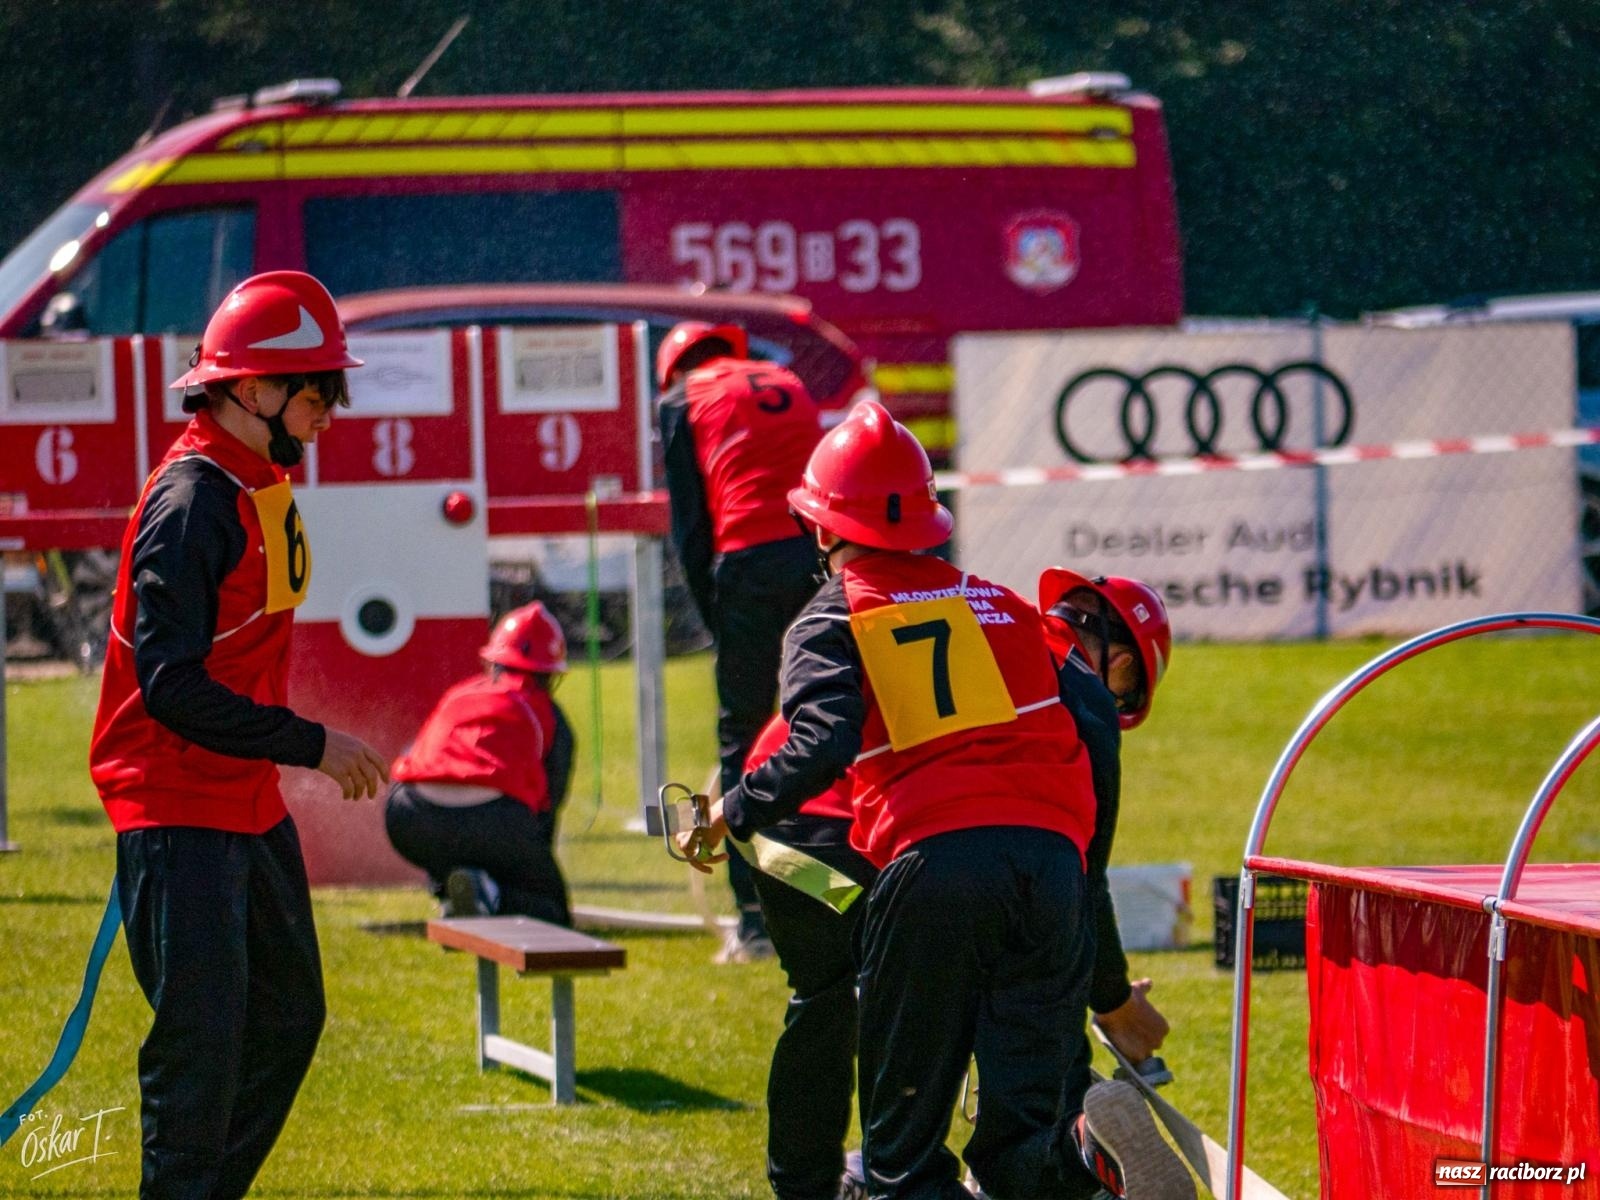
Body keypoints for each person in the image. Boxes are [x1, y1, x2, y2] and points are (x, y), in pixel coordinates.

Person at [677, 401, 1193, 1200]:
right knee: (1021, 1133)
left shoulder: (838, 608)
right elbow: (1079, 744)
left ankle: (807, 1186)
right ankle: (1082, 1149)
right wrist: (1106, 988)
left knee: (879, 1108)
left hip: (884, 859)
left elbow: (818, 744)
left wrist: (727, 813)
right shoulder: (1005, 606)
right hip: (1045, 870)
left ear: (820, 527)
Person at [90, 270, 390, 1200]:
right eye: (317, 393)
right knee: (201, 1057)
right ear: (253, 389)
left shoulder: (254, 481)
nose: (329, 414)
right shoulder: (192, 502)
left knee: (290, 1018)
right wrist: (311, 744)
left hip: (243, 803)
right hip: (177, 808)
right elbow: (171, 686)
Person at [657, 320, 824, 962]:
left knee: (746, 740)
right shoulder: (785, 379)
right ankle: (839, 893)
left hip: (749, 563)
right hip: (818, 556)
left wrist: (716, 621)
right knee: (828, 726)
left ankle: (755, 918)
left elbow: (691, 529)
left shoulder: (684, 398)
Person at [1039, 568, 1180, 1199]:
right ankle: (1082, 1145)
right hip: (996, 875)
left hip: (855, 841)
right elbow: (1084, 880)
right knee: (1037, 1034)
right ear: (1120, 662)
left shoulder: (1004, 639)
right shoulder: (1084, 699)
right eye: (1125, 695)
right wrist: (1117, 1004)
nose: (1115, 706)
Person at [738, 716, 873, 1200]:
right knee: (894, 997)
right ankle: (890, 1168)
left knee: (823, 996)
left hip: (772, 828)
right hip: (845, 821)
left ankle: (803, 1180)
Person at [384, 601, 575, 925]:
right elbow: (548, 803)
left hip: (409, 814)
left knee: (454, 847)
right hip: (494, 820)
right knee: (551, 912)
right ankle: (490, 895)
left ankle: (449, 892)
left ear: (494, 661)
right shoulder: (547, 713)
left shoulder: (459, 693)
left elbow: (417, 755)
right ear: (549, 674)